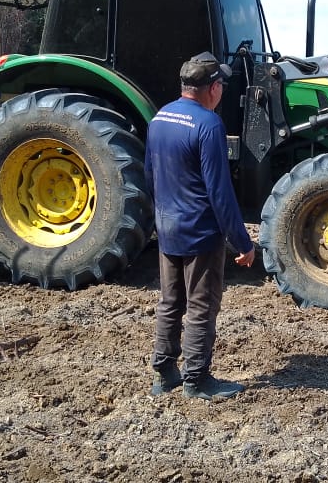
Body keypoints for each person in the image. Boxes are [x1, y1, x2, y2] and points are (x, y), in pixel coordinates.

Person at [145, 51, 256, 400]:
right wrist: (243, 242)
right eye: (220, 83)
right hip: (200, 233)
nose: (221, 89)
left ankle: (164, 374)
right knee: (201, 306)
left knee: (169, 301)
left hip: (168, 228)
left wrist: (161, 219)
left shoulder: (160, 117)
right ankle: (197, 379)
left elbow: (150, 173)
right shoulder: (209, 125)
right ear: (211, 88)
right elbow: (220, 193)